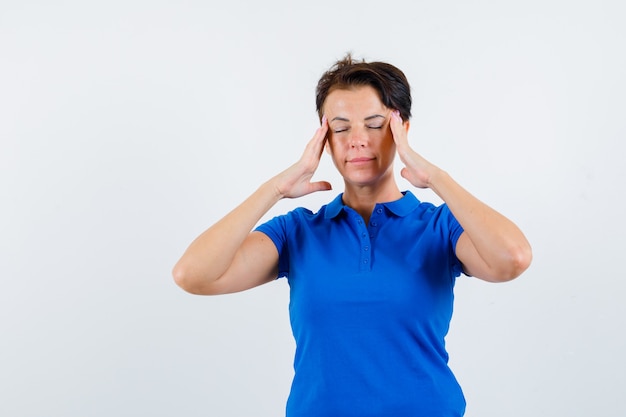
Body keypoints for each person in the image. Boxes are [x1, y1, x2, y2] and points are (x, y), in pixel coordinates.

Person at [172, 54, 532, 417]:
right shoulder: (298, 232)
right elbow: (193, 275)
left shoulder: (439, 227)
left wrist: (437, 178)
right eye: (341, 128)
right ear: (324, 138)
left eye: (374, 124)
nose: (356, 140)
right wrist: (275, 189)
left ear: (401, 129)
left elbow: (512, 259)